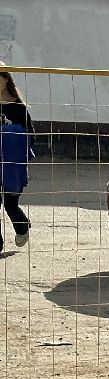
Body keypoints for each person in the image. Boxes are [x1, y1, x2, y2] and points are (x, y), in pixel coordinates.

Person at [0, 70, 34, 251]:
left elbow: (31, 136)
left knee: (10, 203)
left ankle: (22, 226)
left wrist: (10, 135)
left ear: (6, 79)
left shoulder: (18, 108)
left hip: (12, 164)